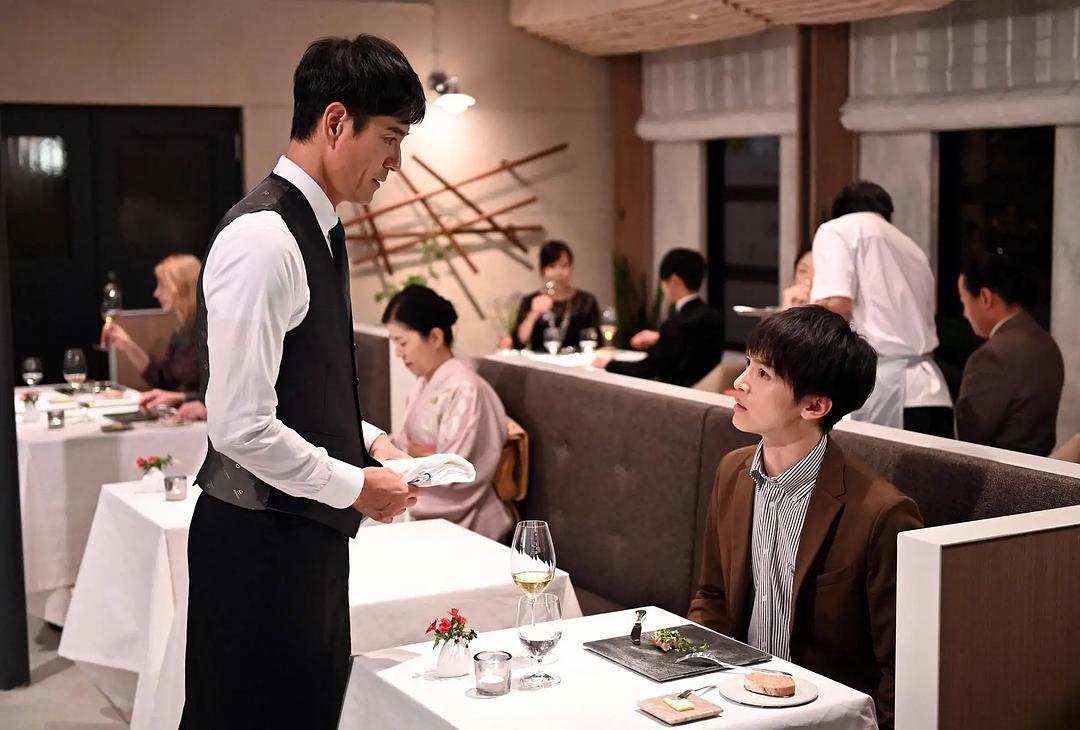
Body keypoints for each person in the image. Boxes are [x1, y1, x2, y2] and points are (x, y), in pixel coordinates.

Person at [180, 35, 426, 729]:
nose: (396, 163)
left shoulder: (319, 228)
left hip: (302, 535)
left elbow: (301, 383)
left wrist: (368, 441)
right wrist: (355, 486)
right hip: (257, 543)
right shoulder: (264, 239)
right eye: (391, 138)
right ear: (337, 121)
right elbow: (240, 426)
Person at [688, 306, 923, 730]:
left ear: (815, 405)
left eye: (764, 374)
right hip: (734, 704)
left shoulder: (881, 513)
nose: (740, 382)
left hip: (824, 716)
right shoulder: (733, 471)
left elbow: (901, 666)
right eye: (748, 364)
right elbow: (713, 597)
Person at [810, 181, 953, 436]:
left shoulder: (837, 229)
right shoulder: (912, 248)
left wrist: (792, 315)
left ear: (840, 213)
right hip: (931, 391)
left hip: (884, 389)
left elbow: (835, 303)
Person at [382, 285, 513, 541]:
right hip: (423, 497)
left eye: (403, 342)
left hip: (467, 523)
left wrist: (399, 481)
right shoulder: (423, 383)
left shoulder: (466, 389)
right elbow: (405, 443)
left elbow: (458, 472)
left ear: (435, 337)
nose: (398, 353)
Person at [955, 250, 1064, 456]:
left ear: (985, 297)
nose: (965, 313)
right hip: (1040, 468)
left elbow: (971, 443)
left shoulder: (991, 356)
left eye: (964, 301)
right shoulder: (1047, 344)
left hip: (1000, 472)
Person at [100, 254, 207, 420]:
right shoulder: (183, 329)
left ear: (181, 287)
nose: (156, 293)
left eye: (163, 285)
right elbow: (164, 379)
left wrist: (180, 397)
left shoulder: (209, 328)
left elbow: (223, 389)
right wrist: (128, 346)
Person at [596, 248, 723, 387]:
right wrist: (660, 337)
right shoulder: (713, 317)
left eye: (663, 281)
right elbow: (691, 346)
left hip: (675, 394)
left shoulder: (675, 325)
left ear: (674, 280)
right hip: (705, 391)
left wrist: (609, 364)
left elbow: (646, 369)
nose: (662, 287)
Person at [513, 240, 600, 352]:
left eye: (564, 266)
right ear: (542, 270)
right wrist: (534, 313)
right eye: (552, 266)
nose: (559, 272)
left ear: (571, 268)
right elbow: (519, 342)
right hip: (540, 361)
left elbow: (597, 342)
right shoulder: (530, 300)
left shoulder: (586, 301)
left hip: (578, 361)